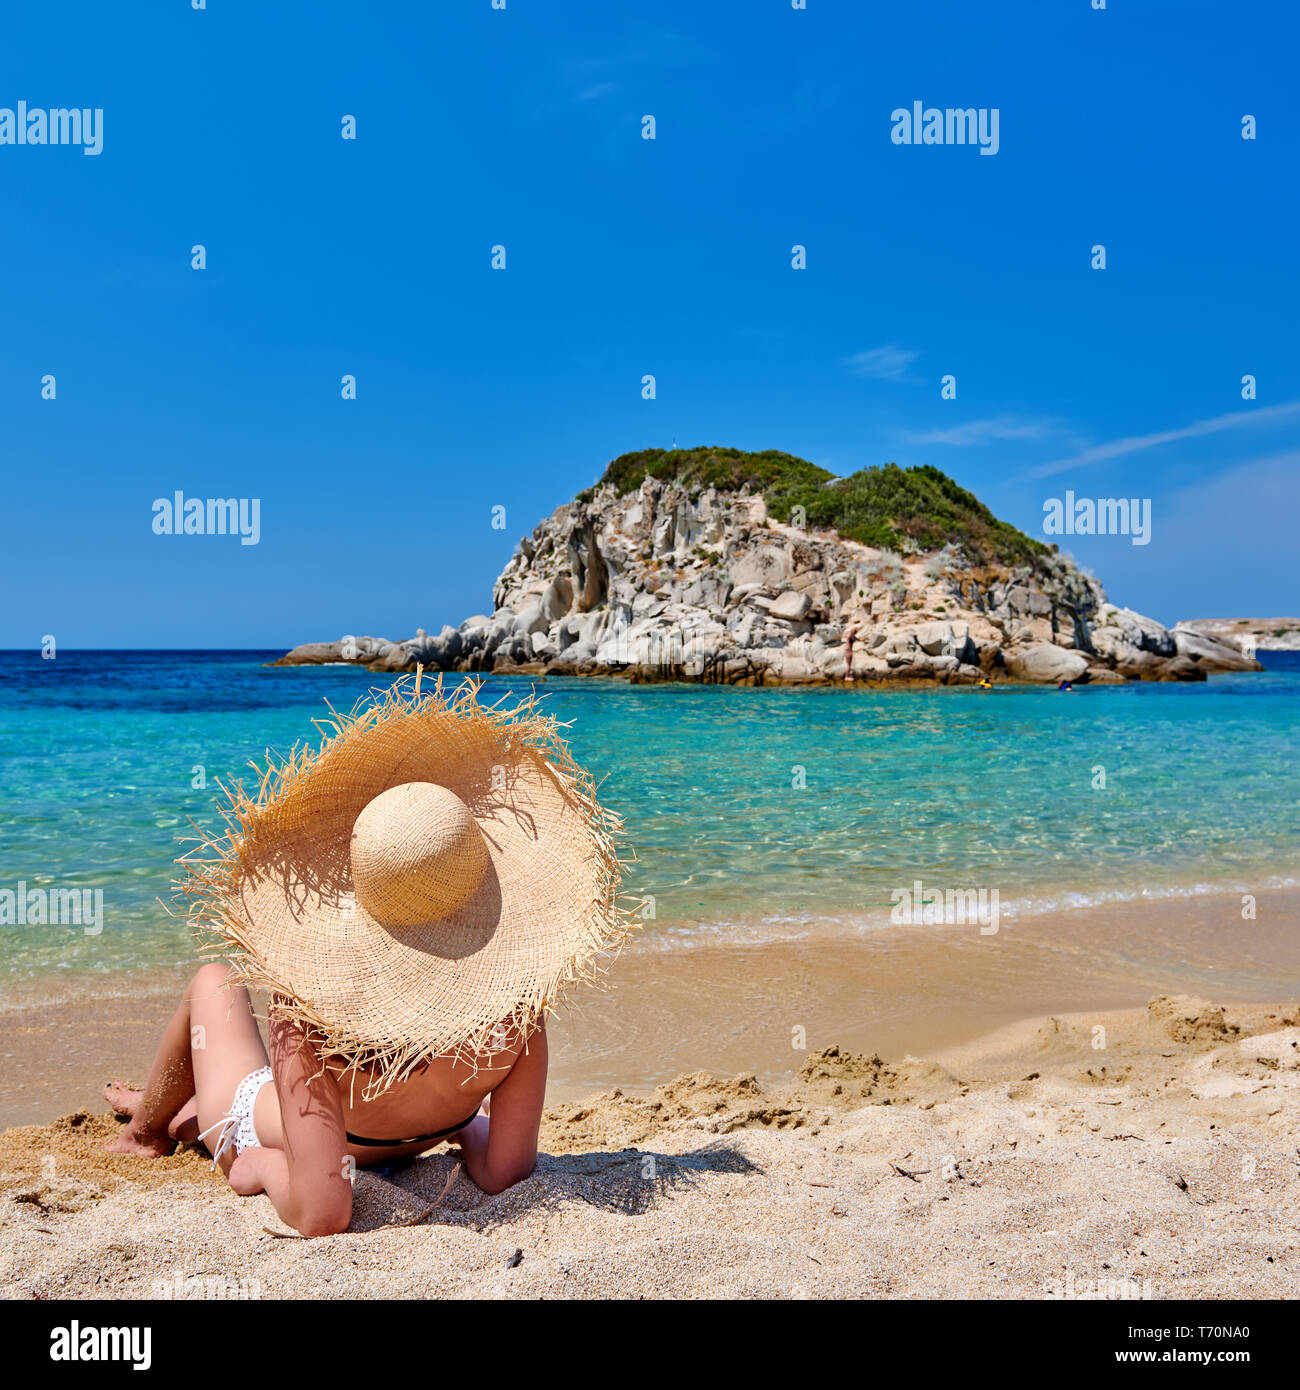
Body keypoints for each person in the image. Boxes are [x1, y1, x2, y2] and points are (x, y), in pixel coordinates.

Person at [104, 676, 630, 1237]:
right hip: (378, 1136)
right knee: (235, 1050)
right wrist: (464, 1127)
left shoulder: (311, 1010)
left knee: (217, 981)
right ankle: (165, 1106)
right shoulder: (517, 1009)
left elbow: (321, 1212)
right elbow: (504, 1171)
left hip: (259, 1131)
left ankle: (145, 1132)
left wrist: (253, 1166)